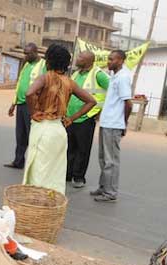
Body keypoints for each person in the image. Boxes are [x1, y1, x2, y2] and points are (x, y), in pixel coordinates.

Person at [23, 44, 96, 195]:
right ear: (66, 63)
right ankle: (52, 206)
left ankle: (36, 205)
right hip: (59, 129)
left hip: (43, 128)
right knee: (55, 173)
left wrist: (34, 112)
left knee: (38, 171)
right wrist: (72, 118)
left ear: (48, 61)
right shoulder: (70, 82)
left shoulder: (44, 78)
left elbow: (29, 93)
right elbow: (91, 101)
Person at [91, 50, 132, 202]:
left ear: (121, 60)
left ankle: (110, 193)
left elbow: (128, 104)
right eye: (108, 59)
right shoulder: (114, 76)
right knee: (103, 158)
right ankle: (103, 187)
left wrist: (124, 123)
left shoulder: (123, 78)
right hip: (106, 122)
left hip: (114, 124)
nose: (108, 62)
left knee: (111, 161)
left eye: (111, 59)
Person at [66, 51, 110, 188]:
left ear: (88, 61)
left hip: (86, 117)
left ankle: (79, 177)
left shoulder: (98, 75)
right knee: (69, 148)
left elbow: (113, 91)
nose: (77, 59)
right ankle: (67, 174)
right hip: (71, 117)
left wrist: (101, 110)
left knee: (82, 149)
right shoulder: (76, 73)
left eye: (80, 57)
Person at [5, 43, 46, 169]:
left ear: (35, 52)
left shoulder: (44, 65)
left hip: (33, 106)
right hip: (21, 104)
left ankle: (34, 165)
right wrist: (14, 103)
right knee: (20, 135)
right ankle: (18, 161)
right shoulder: (26, 64)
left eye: (28, 53)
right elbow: (20, 84)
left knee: (32, 135)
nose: (25, 56)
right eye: (24, 53)